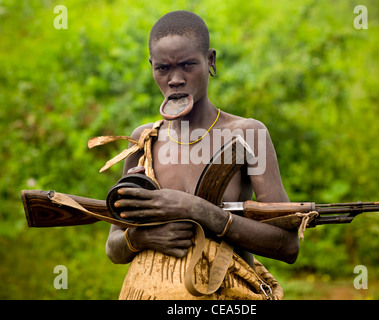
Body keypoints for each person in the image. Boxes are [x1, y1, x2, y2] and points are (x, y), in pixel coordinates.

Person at [105, 10, 299, 300]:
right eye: (163, 69)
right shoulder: (144, 139)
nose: (175, 79)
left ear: (210, 60)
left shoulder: (247, 135)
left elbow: (287, 245)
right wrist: (143, 236)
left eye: (187, 65)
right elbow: (113, 246)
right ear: (151, 67)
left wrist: (197, 210)